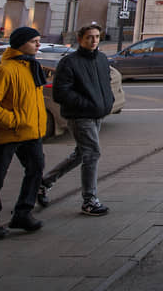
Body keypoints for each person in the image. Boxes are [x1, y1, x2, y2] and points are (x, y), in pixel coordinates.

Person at [0, 27, 47, 241]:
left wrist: (35, 125)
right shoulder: (4, 70)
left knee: (36, 171)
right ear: (21, 43)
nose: (38, 45)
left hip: (31, 133)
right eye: (34, 41)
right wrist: (15, 121)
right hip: (8, 133)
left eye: (38, 41)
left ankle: (23, 213)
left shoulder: (32, 67)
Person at [37, 24, 115, 216]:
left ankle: (44, 183)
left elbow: (106, 83)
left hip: (97, 114)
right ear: (80, 39)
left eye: (97, 37)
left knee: (81, 154)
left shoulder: (102, 59)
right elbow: (61, 92)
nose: (94, 40)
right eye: (89, 37)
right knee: (92, 153)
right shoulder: (70, 62)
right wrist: (87, 104)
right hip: (80, 115)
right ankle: (89, 201)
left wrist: (108, 102)